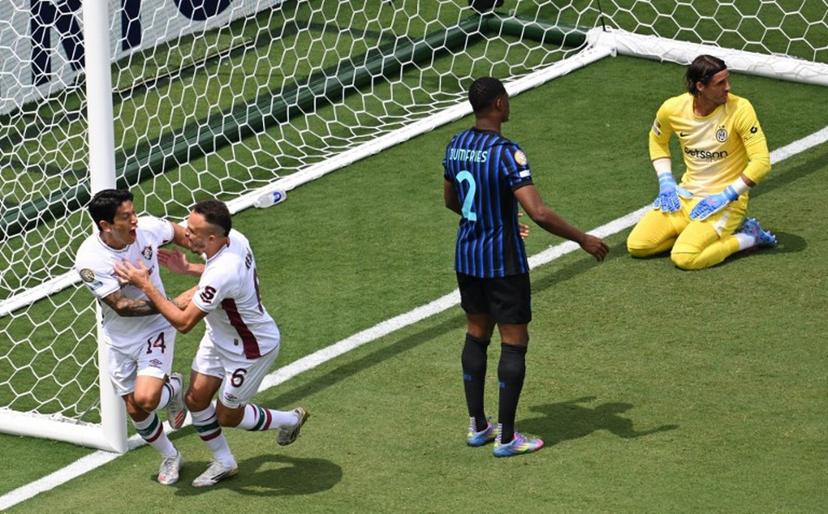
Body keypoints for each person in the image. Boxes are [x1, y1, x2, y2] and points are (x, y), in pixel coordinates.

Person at [443, 77, 609, 458]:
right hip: (502, 261)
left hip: (467, 257)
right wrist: (583, 238)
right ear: (499, 104)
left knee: (476, 334)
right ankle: (507, 438)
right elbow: (538, 212)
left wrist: (492, 216)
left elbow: (452, 200)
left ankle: (478, 425)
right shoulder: (506, 152)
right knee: (514, 341)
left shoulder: (455, 145)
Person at [114, 199, 308, 487]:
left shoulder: (222, 272)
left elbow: (183, 322)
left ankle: (290, 419)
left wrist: (146, 287)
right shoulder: (234, 240)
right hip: (219, 336)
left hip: (250, 348)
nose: (185, 234)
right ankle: (224, 462)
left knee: (227, 416)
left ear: (213, 238)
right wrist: (189, 268)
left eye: (192, 232)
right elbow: (216, 277)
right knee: (195, 400)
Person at [74, 189, 189, 485]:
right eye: (126, 217)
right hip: (119, 336)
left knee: (147, 398)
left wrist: (202, 256)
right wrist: (171, 305)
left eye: (134, 212)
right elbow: (122, 306)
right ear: (105, 225)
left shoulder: (147, 228)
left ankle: (170, 388)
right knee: (134, 408)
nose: (135, 220)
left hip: (156, 328)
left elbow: (179, 232)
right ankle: (171, 454)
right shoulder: (91, 259)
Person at [626, 54, 777, 270]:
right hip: (685, 198)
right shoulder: (672, 108)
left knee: (684, 258)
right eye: (720, 83)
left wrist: (727, 194)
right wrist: (666, 182)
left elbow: (761, 162)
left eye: (727, 80)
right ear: (700, 86)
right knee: (638, 246)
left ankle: (747, 238)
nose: (728, 87)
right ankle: (693, 235)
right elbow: (657, 140)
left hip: (725, 204)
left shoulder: (740, 109)